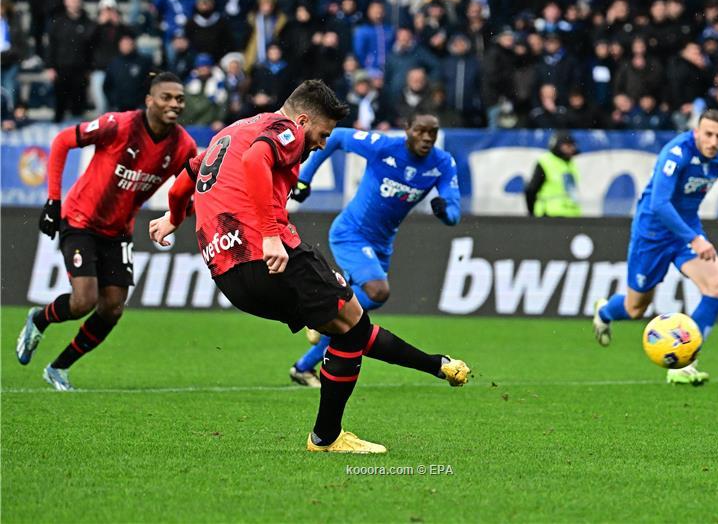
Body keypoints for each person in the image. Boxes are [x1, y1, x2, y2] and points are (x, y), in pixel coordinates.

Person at [148, 81, 470, 454]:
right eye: (321, 135)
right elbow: (256, 161)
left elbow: (182, 185)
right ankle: (327, 436)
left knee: (350, 325)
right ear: (302, 120)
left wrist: (172, 219)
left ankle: (436, 365)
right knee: (353, 324)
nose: (319, 144)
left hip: (227, 272)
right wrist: (269, 235)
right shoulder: (284, 129)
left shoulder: (234, 130)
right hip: (269, 252)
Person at [16, 73, 198, 391]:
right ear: (150, 101)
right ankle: (39, 319)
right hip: (80, 220)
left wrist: (176, 218)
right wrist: (53, 200)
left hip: (119, 231)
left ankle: (58, 368)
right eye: (167, 97)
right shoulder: (119, 125)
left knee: (112, 307)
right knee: (83, 300)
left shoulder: (183, 146)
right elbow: (62, 142)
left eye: (179, 99)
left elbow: (189, 193)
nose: (174, 104)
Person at [288, 113, 462, 387]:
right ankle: (319, 312)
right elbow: (337, 138)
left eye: (433, 132)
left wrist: (445, 211)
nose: (427, 138)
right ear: (406, 129)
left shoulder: (442, 163)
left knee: (357, 315)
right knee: (377, 291)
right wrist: (303, 179)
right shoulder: (383, 147)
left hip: (382, 244)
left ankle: (303, 366)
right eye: (420, 131)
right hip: (351, 233)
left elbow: (454, 211)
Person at [592, 110, 718, 385]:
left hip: (687, 231)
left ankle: (684, 363)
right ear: (696, 132)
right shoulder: (676, 153)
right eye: (708, 134)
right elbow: (659, 204)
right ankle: (605, 312)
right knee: (635, 309)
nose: (713, 141)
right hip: (652, 233)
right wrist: (695, 239)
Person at [524, 130, 581, 217]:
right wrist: (532, 212)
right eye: (567, 145)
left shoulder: (570, 163)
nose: (571, 148)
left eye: (572, 145)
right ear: (557, 145)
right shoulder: (545, 162)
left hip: (571, 214)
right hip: (549, 214)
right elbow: (531, 190)